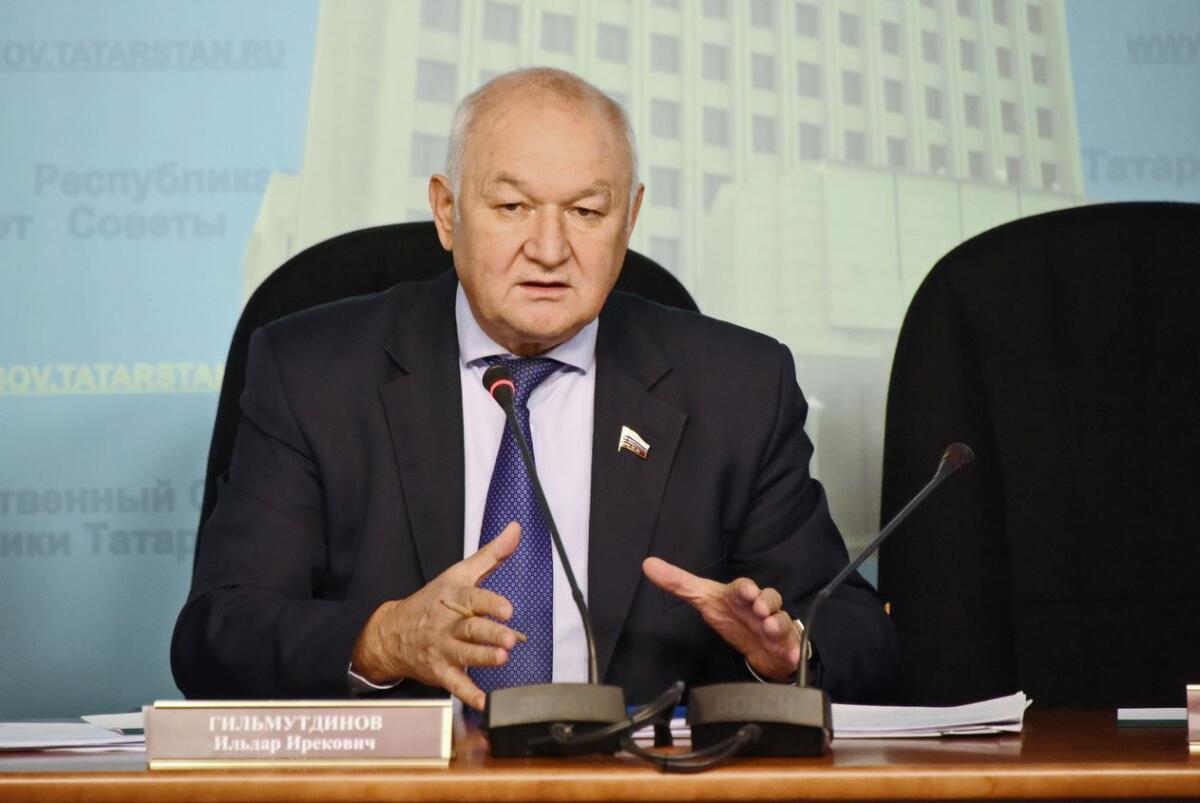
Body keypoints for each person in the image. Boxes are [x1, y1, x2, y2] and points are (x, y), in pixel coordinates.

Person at [172, 68, 895, 711]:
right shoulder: (314, 374)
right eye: (513, 207)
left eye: (586, 212)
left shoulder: (737, 388)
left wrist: (783, 654)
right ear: (448, 211)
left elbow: (858, 633)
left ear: (631, 218)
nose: (549, 250)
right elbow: (217, 635)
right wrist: (382, 638)